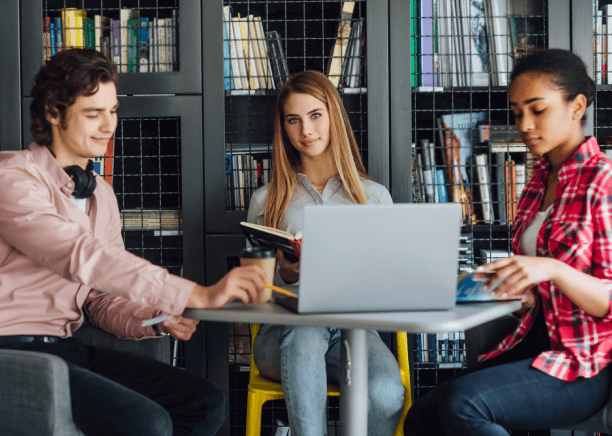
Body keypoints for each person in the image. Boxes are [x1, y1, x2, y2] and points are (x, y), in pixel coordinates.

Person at [0, 48, 268, 436]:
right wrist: (193, 293)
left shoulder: (101, 196)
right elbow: (82, 255)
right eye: (93, 114)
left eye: (112, 111)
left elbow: (101, 299)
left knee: (204, 403)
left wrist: (156, 318)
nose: (109, 125)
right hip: (12, 353)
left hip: (65, 347)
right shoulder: (14, 181)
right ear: (52, 114)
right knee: (147, 422)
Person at [404, 48, 612, 435]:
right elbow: (539, 290)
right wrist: (498, 286)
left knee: (464, 406)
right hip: (531, 342)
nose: (524, 125)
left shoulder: (604, 182)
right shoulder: (536, 183)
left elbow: (606, 299)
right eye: (517, 113)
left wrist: (551, 269)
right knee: (421, 419)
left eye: (537, 110)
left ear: (577, 106)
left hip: (584, 362)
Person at [246, 70, 405, 436]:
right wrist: (287, 273)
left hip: (354, 331)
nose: (306, 130)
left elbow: (393, 282)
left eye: (316, 115)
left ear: (333, 115)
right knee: (305, 331)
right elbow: (256, 289)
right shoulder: (265, 200)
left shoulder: (374, 197)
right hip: (283, 332)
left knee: (383, 392)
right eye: (294, 120)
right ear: (284, 128)